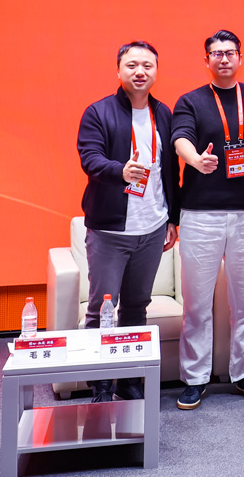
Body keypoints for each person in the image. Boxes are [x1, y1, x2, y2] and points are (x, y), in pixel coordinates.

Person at [171, 30, 244, 410]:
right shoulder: (191, 101)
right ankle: (195, 378)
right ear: (207, 60)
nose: (224, 59)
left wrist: (239, 175)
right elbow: (180, 138)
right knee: (197, 303)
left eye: (230, 53)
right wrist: (196, 160)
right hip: (200, 214)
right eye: (216, 54)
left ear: (240, 57)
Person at [76, 41, 180, 402]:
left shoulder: (163, 114)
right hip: (110, 230)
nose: (140, 72)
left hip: (152, 227)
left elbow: (170, 171)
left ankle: (129, 379)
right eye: (132, 65)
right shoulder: (98, 112)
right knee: (102, 309)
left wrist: (172, 218)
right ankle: (101, 383)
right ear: (118, 70)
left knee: (137, 306)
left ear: (156, 71)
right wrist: (119, 171)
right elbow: (89, 158)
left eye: (147, 66)